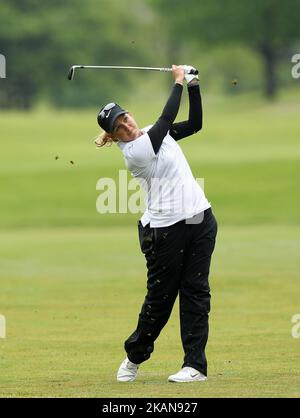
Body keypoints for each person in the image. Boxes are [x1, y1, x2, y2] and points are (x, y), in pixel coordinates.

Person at [96, 65, 218, 383]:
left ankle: (195, 366)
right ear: (112, 137)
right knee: (160, 299)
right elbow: (164, 123)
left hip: (201, 220)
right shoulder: (135, 152)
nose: (126, 125)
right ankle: (134, 357)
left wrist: (193, 86)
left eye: (125, 118)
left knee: (196, 292)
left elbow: (195, 124)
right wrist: (177, 81)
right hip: (165, 232)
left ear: (131, 114)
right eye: (118, 127)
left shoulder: (152, 133)